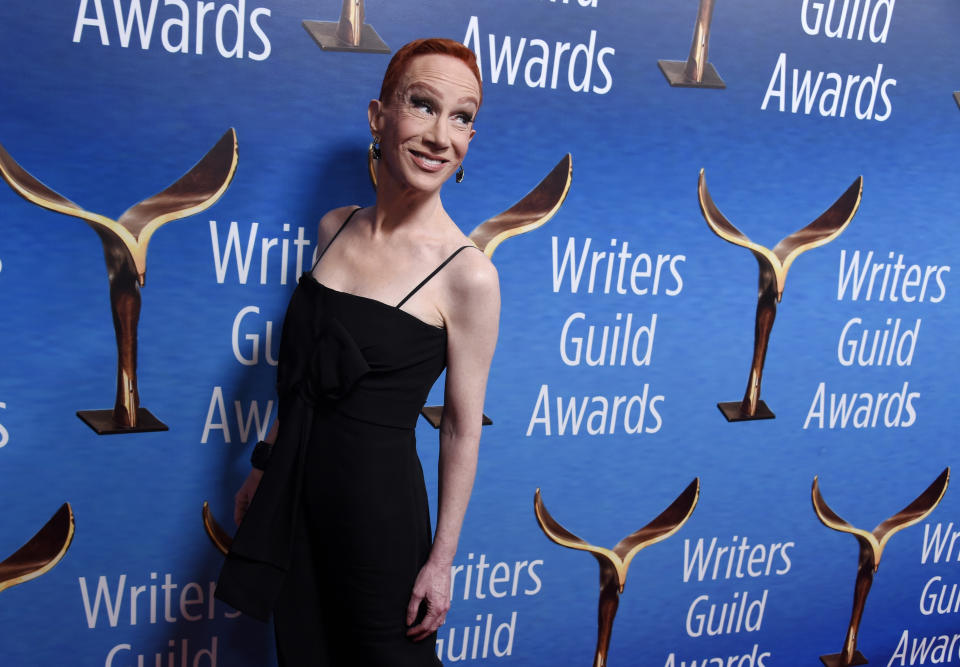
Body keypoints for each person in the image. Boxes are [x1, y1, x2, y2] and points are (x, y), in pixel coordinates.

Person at [215, 38, 499, 667]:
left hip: (380, 516)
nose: (439, 136)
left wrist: (443, 561)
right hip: (297, 496)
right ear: (378, 116)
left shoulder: (468, 275)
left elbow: (459, 428)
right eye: (422, 105)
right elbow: (305, 377)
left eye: (462, 117)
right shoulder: (333, 227)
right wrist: (265, 465)